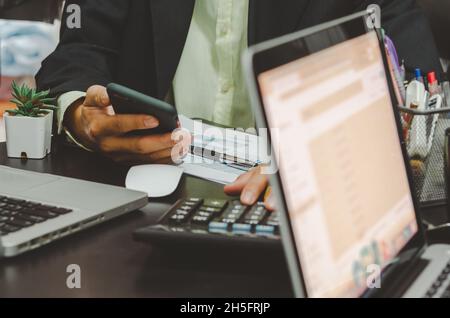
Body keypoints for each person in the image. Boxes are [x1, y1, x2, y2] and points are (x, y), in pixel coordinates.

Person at [36, 0, 442, 209]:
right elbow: (78, 54)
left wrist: (323, 150)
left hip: (295, 209)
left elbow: (418, 94)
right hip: (145, 203)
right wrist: (81, 117)